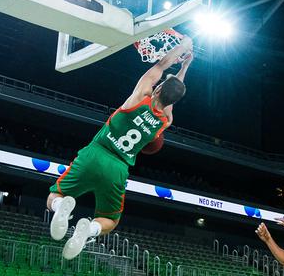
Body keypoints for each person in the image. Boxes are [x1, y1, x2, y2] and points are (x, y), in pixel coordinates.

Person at [47, 38, 193, 259]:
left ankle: (60, 208)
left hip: (96, 153)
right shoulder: (164, 121)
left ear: (159, 87)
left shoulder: (139, 98)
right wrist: (185, 67)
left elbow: (161, 65)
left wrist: (183, 46)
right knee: (111, 221)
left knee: (54, 195)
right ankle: (90, 230)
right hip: (118, 168)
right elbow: (172, 95)